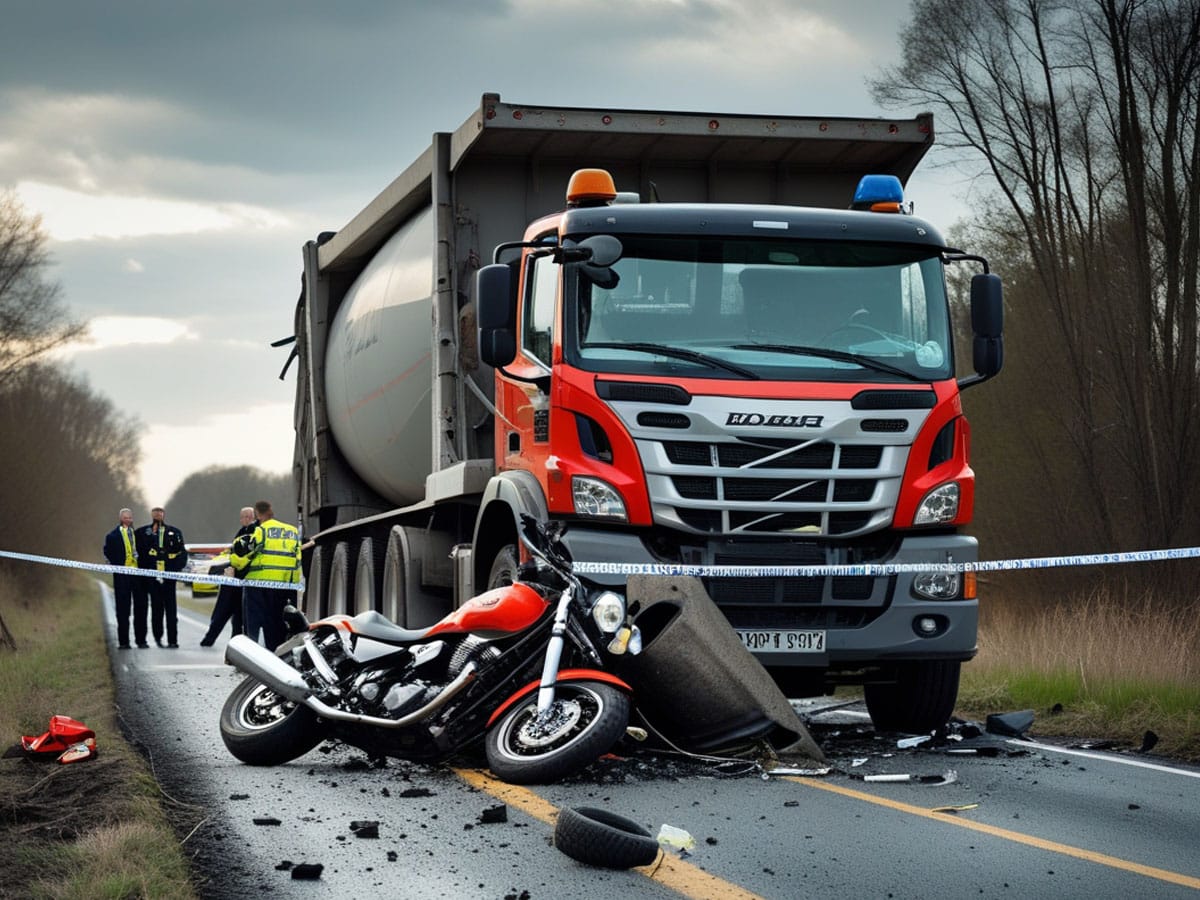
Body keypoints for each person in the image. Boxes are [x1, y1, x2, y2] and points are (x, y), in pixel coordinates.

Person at [230, 500, 301, 651]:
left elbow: (246, 555)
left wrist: (233, 561)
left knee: (253, 624)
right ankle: (277, 654)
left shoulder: (260, 531)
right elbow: (297, 559)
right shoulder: (292, 531)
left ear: (257, 514)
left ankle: (252, 655)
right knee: (276, 623)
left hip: (258, 584)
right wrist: (292, 584)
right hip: (284, 585)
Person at [199, 507, 256, 647]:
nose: (245, 519)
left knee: (234, 616)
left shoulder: (253, 533)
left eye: (248, 516)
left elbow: (243, 557)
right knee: (229, 615)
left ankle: (231, 644)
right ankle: (212, 641)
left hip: (242, 580)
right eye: (243, 517)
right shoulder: (242, 532)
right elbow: (232, 553)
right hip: (233, 580)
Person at [136, 506, 188, 648]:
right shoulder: (143, 532)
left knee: (171, 609)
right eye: (155, 512)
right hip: (152, 577)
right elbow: (138, 553)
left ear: (164, 514)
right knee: (156, 608)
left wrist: (176, 568)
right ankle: (158, 637)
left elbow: (182, 553)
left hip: (169, 576)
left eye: (160, 512)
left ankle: (173, 640)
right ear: (151, 514)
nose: (158, 514)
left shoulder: (174, 532)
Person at [102, 508, 148, 648]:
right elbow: (107, 552)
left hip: (138, 576)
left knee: (141, 608)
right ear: (121, 518)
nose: (128, 520)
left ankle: (141, 640)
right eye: (126, 517)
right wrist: (116, 565)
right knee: (123, 609)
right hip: (122, 576)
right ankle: (124, 642)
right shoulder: (112, 536)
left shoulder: (138, 535)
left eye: (130, 517)